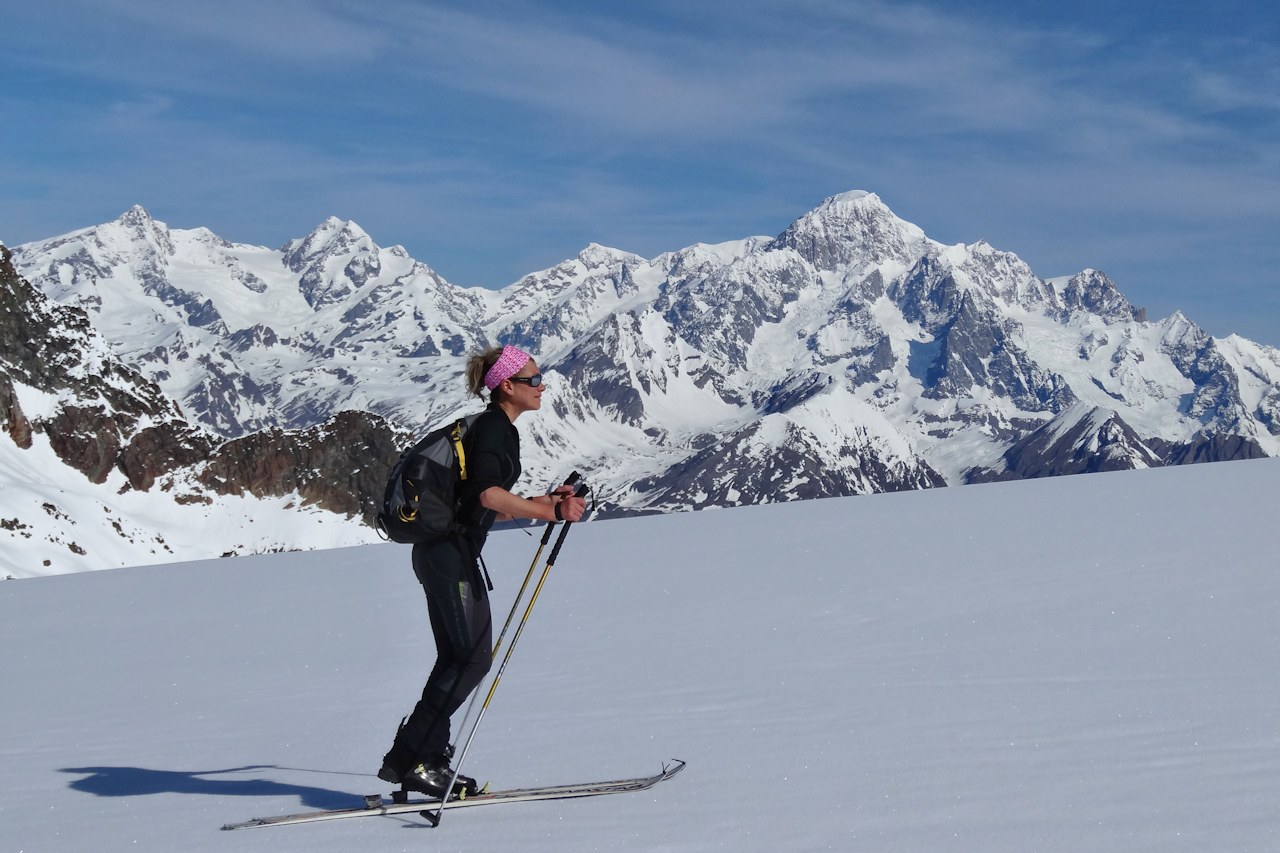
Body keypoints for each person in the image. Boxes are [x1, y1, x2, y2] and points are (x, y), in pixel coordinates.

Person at [377, 344, 587, 798]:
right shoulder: (496, 429)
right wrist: (547, 513)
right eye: (533, 380)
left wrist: (540, 503)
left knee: (459, 659)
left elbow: (479, 504)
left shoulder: (490, 428)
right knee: (471, 658)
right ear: (507, 386)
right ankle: (413, 758)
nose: (542, 386)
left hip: (442, 553)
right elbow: (491, 497)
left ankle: (419, 758)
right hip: (448, 556)